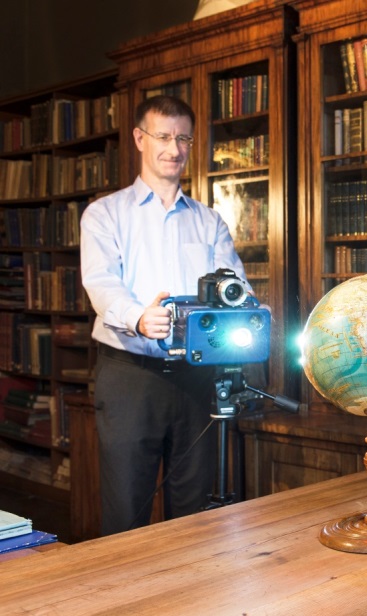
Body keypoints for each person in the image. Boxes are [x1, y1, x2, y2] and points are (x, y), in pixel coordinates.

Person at [81, 95, 251, 535]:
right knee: (126, 509)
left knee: (194, 512)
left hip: (196, 378)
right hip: (130, 377)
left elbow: (236, 285)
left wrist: (245, 306)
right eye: (163, 136)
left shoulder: (209, 222)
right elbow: (100, 283)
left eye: (182, 138)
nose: (173, 149)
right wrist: (138, 317)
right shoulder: (104, 214)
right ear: (140, 139)